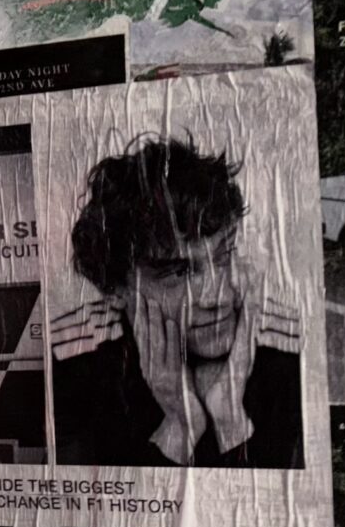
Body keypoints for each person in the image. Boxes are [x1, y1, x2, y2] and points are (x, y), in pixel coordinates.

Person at [50, 137, 305, 469]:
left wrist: (230, 421)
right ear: (114, 288)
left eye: (224, 254)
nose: (217, 297)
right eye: (178, 271)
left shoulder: (290, 348)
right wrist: (179, 428)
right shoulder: (71, 357)